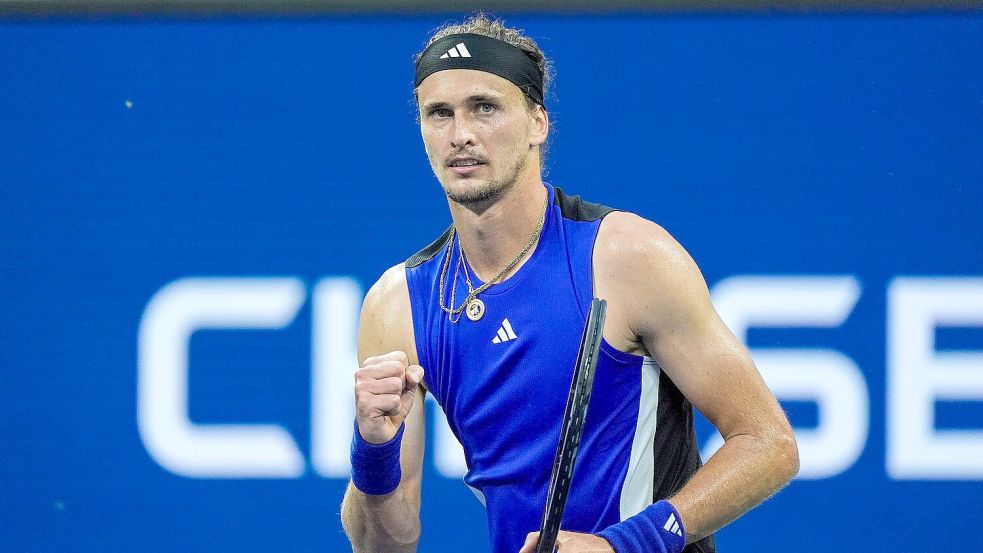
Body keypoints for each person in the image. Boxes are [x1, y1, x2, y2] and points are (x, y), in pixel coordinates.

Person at [340, 14, 799, 553]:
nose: (460, 134)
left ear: (538, 123)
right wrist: (371, 451)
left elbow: (768, 443)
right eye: (438, 114)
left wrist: (624, 545)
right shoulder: (398, 304)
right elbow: (385, 546)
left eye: (484, 107)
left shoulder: (624, 256)